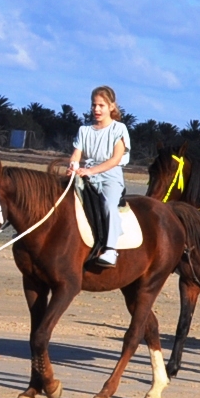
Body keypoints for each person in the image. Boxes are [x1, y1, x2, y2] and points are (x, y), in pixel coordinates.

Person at [69, 86, 131, 269]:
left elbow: (115, 160)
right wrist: (73, 166)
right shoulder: (84, 130)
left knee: (108, 205)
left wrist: (91, 171)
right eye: (94, 105)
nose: (96, 109)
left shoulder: (119, 129)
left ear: (111, 106)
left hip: (109, 176)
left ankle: (111, 249)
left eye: (101, 105)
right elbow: (76, 154)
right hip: (86, 173)